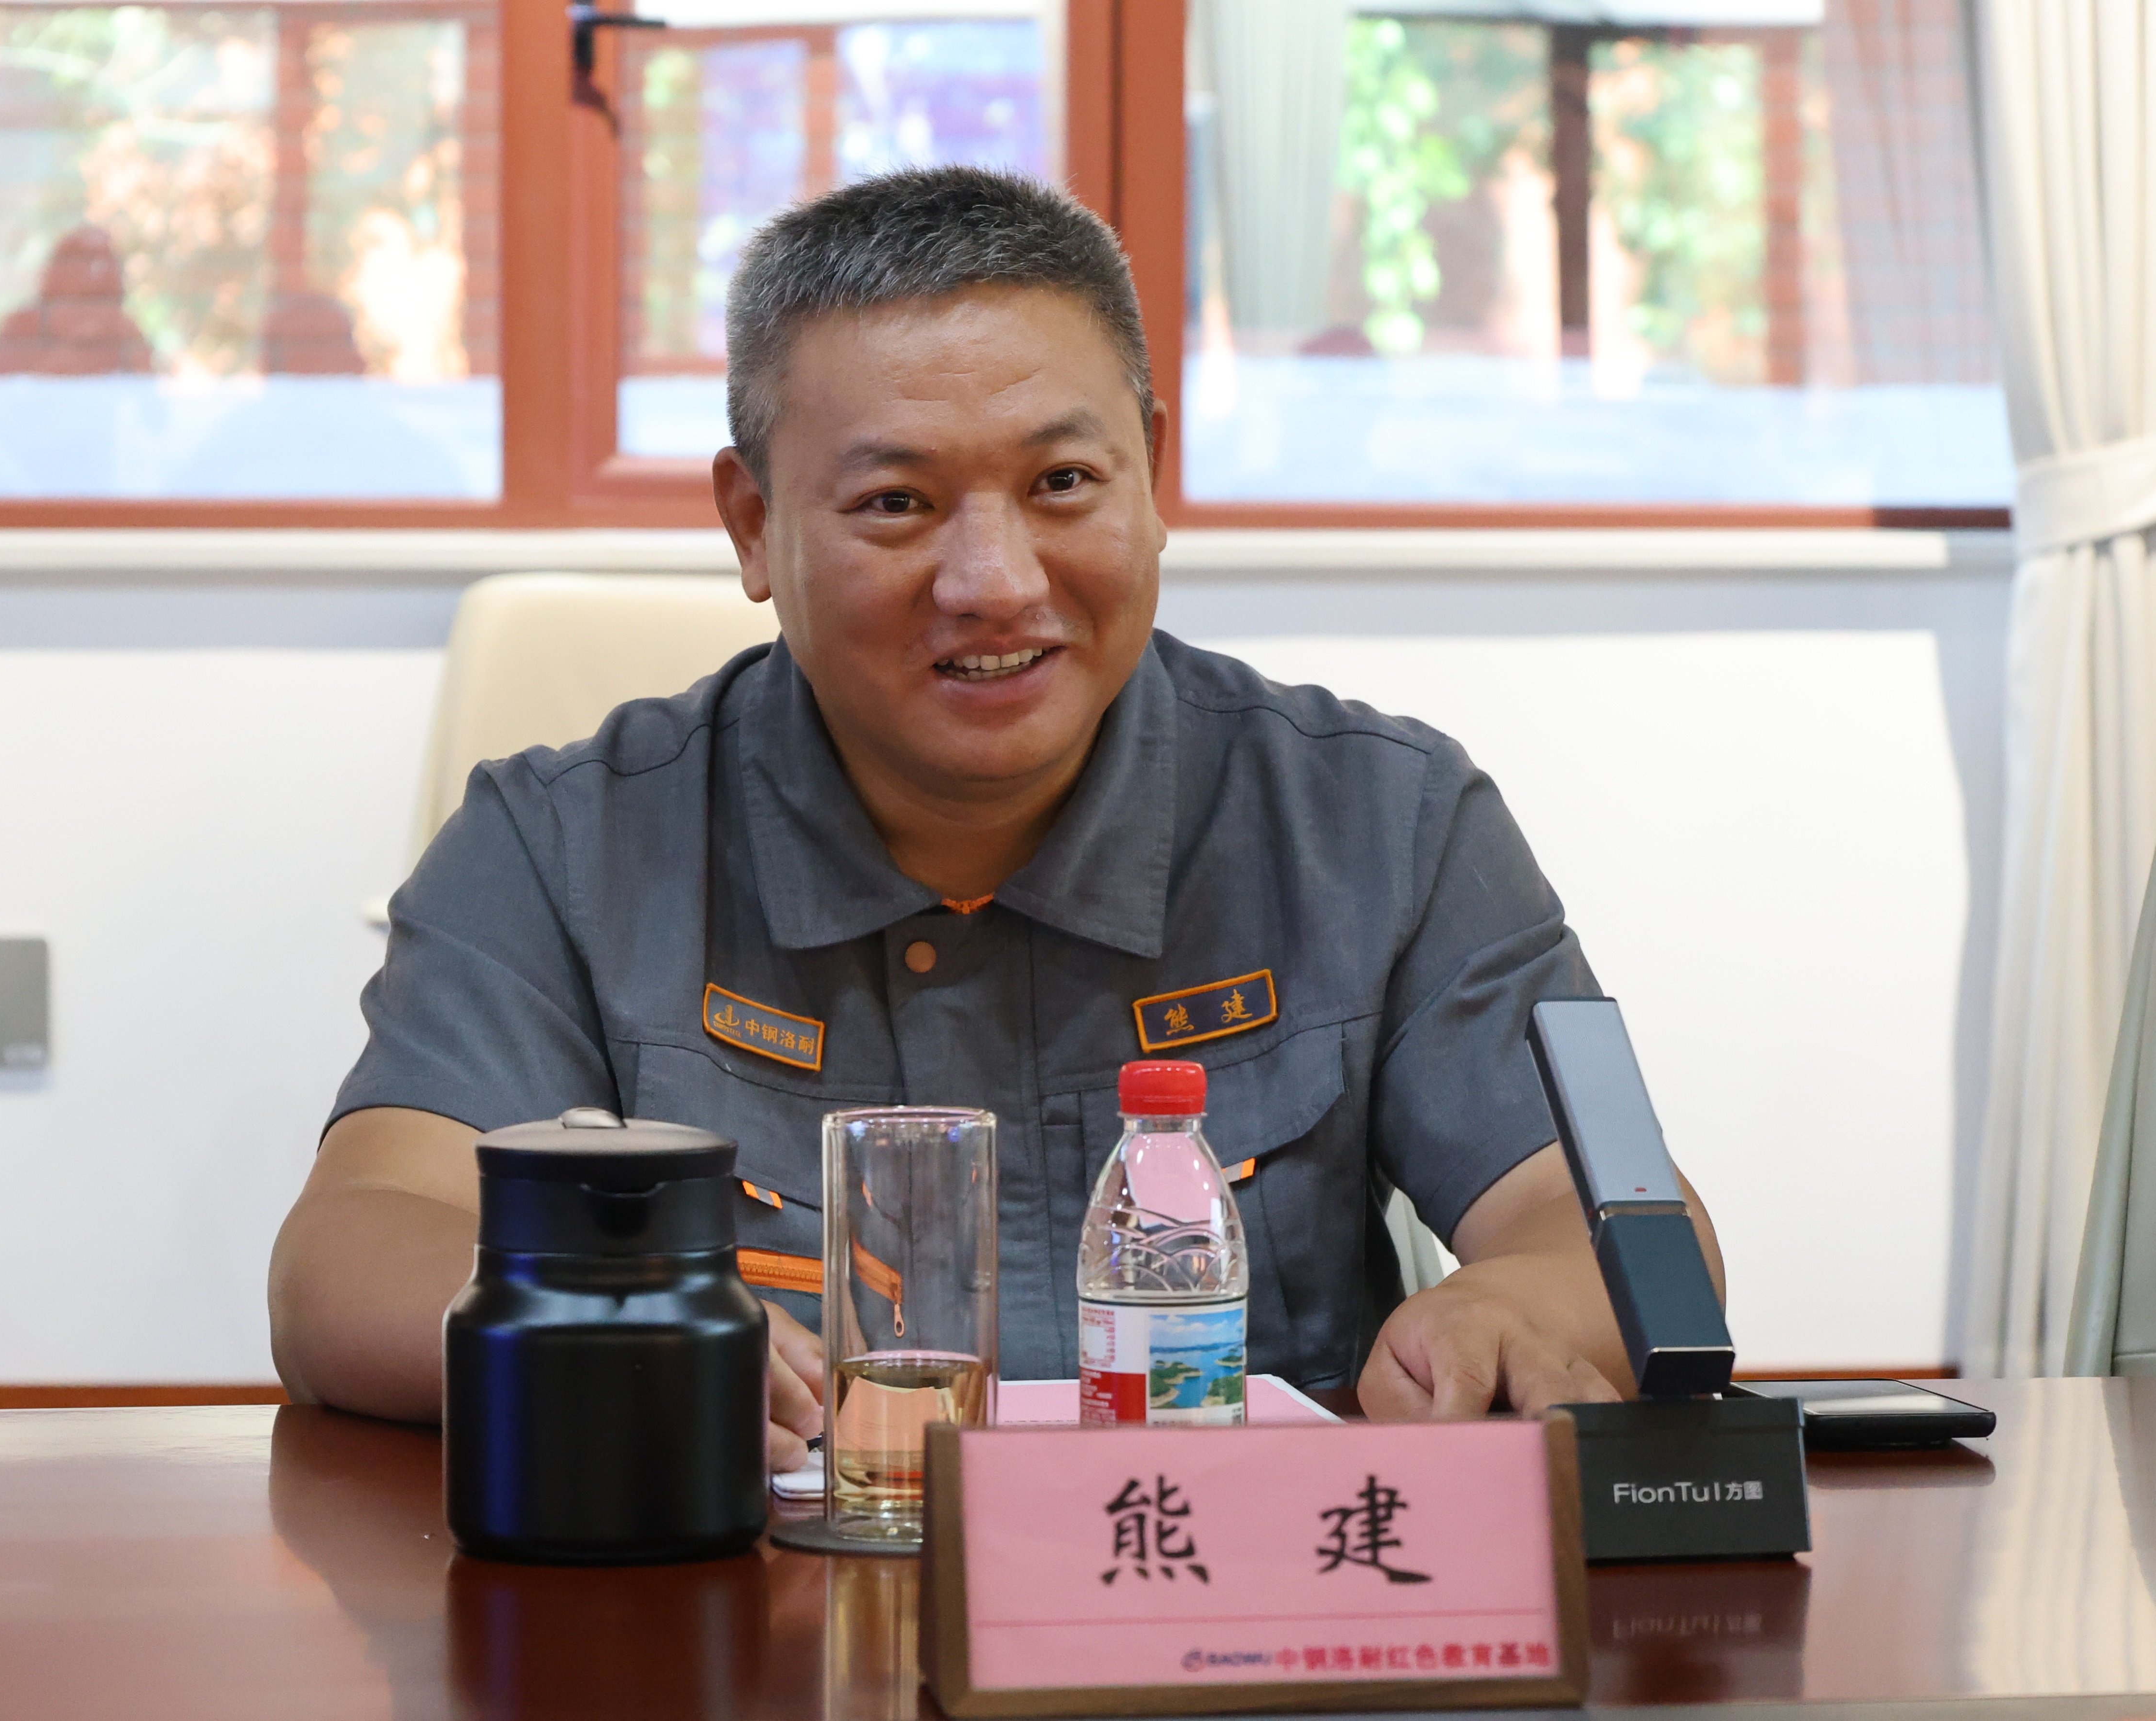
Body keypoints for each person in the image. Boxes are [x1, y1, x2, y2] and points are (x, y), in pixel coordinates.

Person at [268, 167, 1723, 1462]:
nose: (996, 582)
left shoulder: (1380, 822)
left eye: (1064, 483)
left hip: (1225, 1615)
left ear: (1153, 474)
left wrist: (1509, 1313)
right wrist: (595, 1327)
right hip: (755, 1613)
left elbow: (1611, 1230)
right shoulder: (558, 847)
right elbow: (353, 1251)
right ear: (752, 524)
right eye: (897, 504)